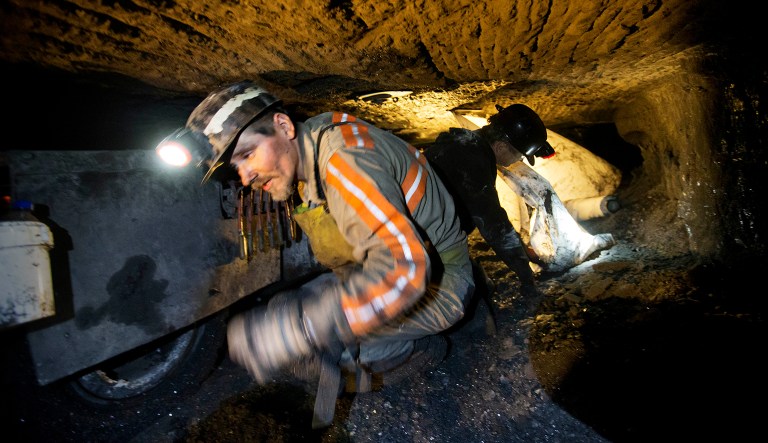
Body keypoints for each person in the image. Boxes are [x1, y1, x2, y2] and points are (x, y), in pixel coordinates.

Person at [180, 81, 475, 427]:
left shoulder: (344, 161)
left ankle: (419, 351)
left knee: (311, 347)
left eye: (248, 154)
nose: (245, 177)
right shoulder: (311, 151)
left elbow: (406, 267)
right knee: (287, 313)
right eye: (237, 166)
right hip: (382, 269)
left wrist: (305, 328)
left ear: (284, 126)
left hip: (442, 281)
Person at [423, 104, 616, 293]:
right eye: (520, 156)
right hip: (418, 241)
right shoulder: (472, 162)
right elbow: (495, 226)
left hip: (426, 231)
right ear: (500, 146)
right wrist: (525, 275)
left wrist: (525, 251)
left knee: (479, 284)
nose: (518, 162)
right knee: (472, 295)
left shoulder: (464, 144)